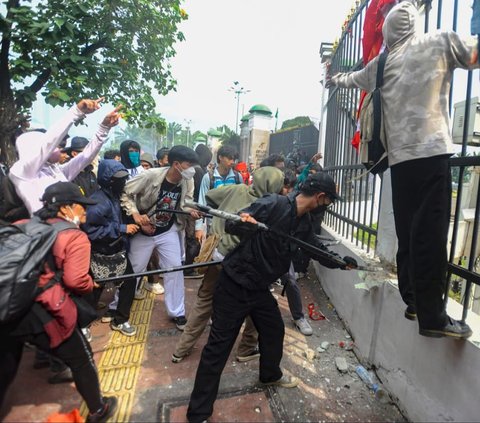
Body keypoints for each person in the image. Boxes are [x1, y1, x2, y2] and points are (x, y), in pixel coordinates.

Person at [328, 1, 478, 338]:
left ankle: (412, 300)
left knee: (410, 232)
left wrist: (332, 77)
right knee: (431, 235)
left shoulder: (381, 63)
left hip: (399, 161)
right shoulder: (439, 41)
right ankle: (433, 318)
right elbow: (474, 55)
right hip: (431, 152)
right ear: (414, 23)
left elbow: (352, 79)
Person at [186, 172, 357, 422]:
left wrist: (341, 262)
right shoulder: (272, 204)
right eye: (328, 201)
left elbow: (313, 248)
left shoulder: (304, 222)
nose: (327, 206)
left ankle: (269, 374)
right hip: (235, 284)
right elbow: (232, 224)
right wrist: (245, 221)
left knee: (274, 330)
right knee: (218, 348)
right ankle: (198, 413)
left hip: (258, 288)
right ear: (321, 197)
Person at [0, 181, 117, 422]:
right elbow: (75, 281)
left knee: (5, 365)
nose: (85, 211)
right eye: (81, 206)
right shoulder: (74, 236)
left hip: (6, 304)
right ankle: (98, 409)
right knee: (82, 359)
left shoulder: (22, 224)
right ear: (65, 209)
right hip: (41, 311)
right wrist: (89, 284)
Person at [173, 166, 285, 363]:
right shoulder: (269, 206)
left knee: (204, 301)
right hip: (241, 264)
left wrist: (222, 209)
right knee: (255, 307)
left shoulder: (236, 189)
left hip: (215, 254)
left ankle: (181, 349)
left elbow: (209, 196)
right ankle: (246, 349)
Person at [121, 145, 202, 330]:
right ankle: (118, 307)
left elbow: (185, 204)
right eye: (188, 164)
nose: (192, 169)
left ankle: (177, 312)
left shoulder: (187, 181)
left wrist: (193, 212)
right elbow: (125, 193)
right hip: (145, 231)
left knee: (174, 270)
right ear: (176, 164)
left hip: (168, 230)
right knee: (134, 270)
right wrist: (135, 215)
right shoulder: (150, 176)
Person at [9, 98, 121, 216]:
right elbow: (47, 143)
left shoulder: (57, 172)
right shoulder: (22, 173)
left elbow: (86, 156)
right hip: (46, 232)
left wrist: (104, 128)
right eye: (54, 146)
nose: (58, 149)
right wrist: (76, 112)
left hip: (68, 229)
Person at [82, 160, 139, 336]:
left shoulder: (115, 196)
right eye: (117, 179)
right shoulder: (98, 202)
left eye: (123, 178)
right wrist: (122, 229)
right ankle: (83, 325)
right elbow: (91, 230)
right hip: (100, 253)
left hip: (117, 251)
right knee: (94, 290)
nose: (122, 182)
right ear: (107, 180)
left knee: (129, 282)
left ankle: (121, 320)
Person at [195, 145, 242, 238]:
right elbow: (202, 202)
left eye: (234, 159)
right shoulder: (209, 177)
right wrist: (198, 228)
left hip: (233, 225)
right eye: (229, 158)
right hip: (213, 225)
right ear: (220, 157)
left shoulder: (237, 177)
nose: (232, 162)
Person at [183, 143, 213, 279]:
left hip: (188, 208)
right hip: (194, 210)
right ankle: (189, 269)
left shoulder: (192, 168)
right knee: (194, 239)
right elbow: (202, 193)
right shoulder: (199, 171)